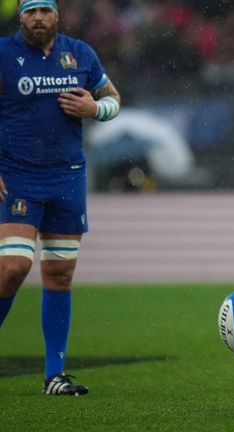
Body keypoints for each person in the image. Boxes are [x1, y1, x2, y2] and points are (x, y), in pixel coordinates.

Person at [0, 0, 121, 395]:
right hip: (17, 176)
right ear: (20, 16)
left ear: (57, 15)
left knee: (60, 274)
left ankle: (55, 375)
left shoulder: (80, 53)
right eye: (30, 10)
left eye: (45, 10)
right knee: (13, 268)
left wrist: (94, 108)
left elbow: (114, 100)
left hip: (67, 177)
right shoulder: (4, 53)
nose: (38, 18)